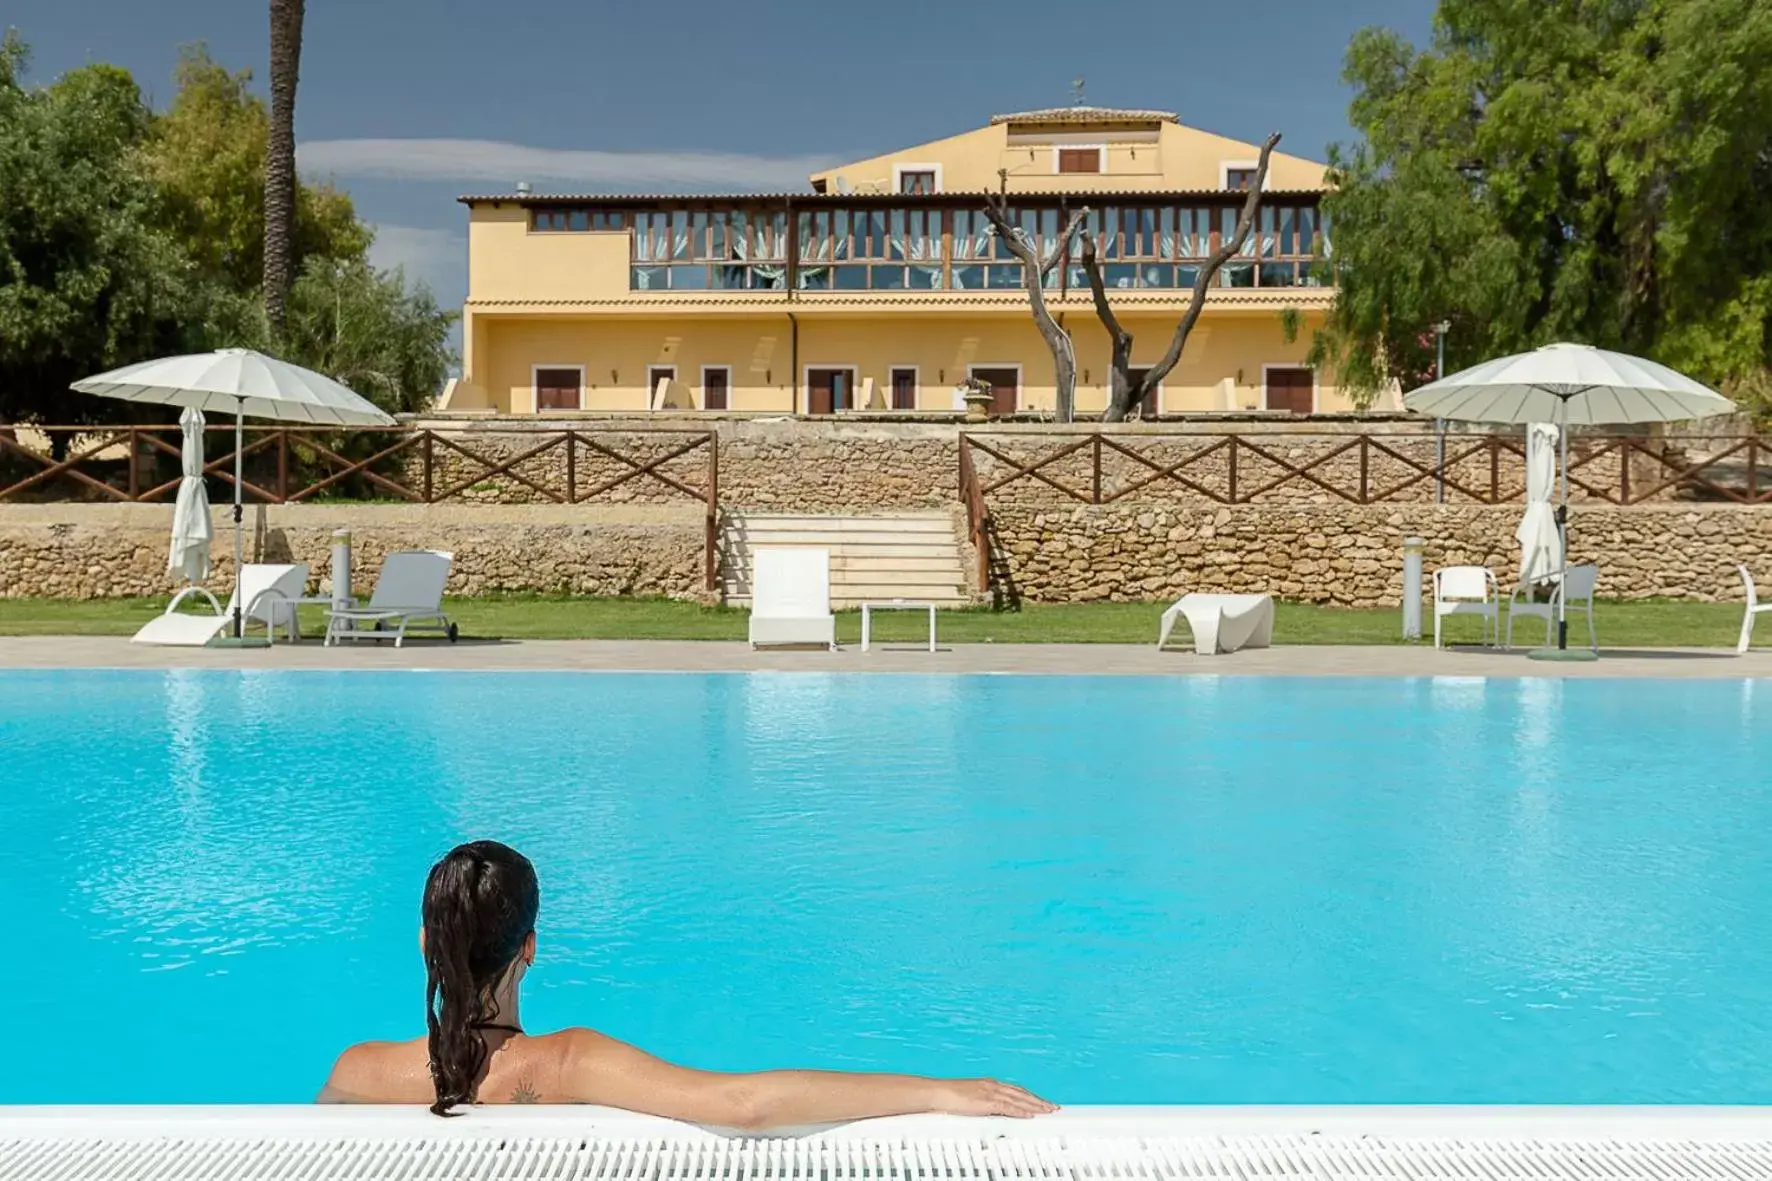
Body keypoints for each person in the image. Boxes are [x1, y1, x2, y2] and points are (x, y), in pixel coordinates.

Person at [320, 840, 1057, 1126]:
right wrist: (936, 1089)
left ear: (425, 944)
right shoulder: (570, 1061)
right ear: (532, 948)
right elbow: (744, 1105)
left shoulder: (358, 1071)